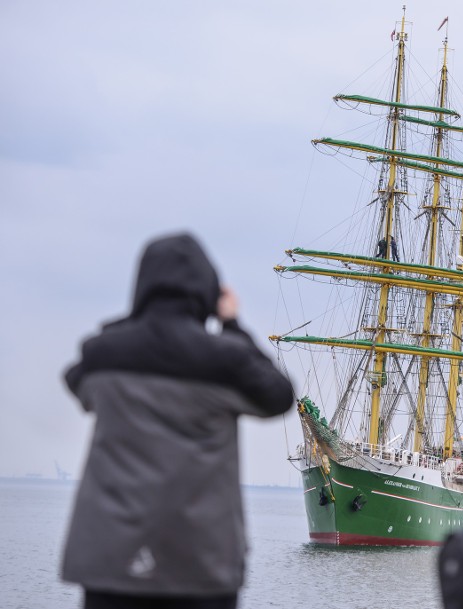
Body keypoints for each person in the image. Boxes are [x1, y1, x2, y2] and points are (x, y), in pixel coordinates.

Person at [61, 233, 295, 609]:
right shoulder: (226, 361)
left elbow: (75, 380)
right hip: (200, 564)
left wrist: (136, 320)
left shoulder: (103, 356)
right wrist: (232, 325)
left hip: (111, 561)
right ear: (207, 294)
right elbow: (279, 396)